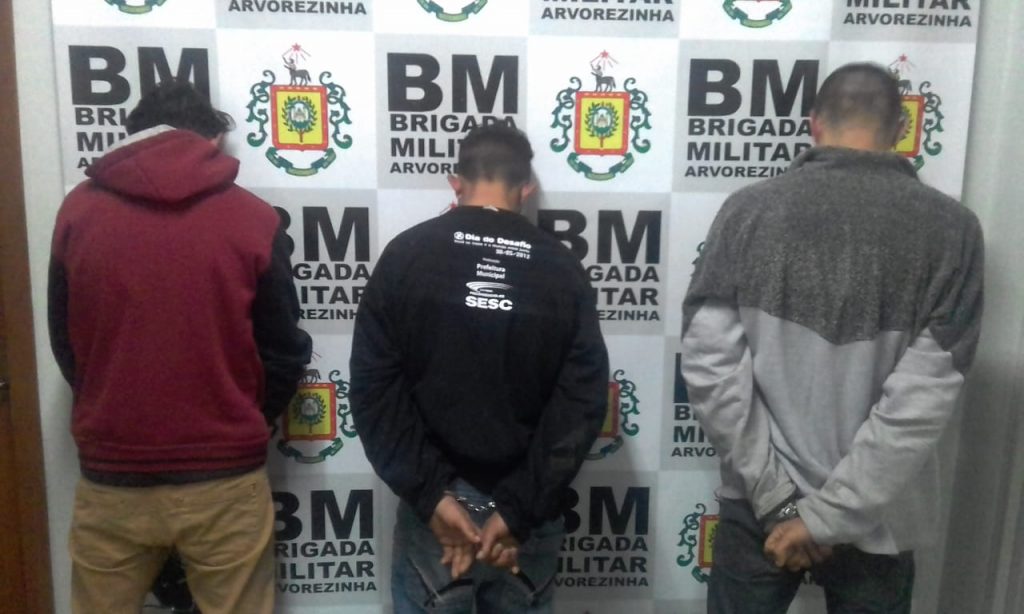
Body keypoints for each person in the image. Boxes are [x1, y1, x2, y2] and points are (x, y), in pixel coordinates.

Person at [679, 63, 984, 613]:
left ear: (813, 124)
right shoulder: (953, 231)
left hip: (761, 506)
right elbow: (923, 399)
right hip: (879, 513)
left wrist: (784, 505)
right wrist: (831, 516)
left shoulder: (747, 211)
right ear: (901, 130)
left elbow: (710, 369)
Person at [48, 79, 312, 614]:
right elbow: (284, 350)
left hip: (113, 473)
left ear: (132, 136)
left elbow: (66, 340)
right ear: (210, 140)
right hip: (224, 478)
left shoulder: (77, 213)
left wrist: (114, 408)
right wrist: (242, 419)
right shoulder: (254, 219)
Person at [350, 124, 609, 613]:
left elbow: (373, 390)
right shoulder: (562, 269)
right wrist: (519, 508)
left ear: (456, 182)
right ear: (525, 187)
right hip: (525, 518)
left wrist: (432, 496)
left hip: (440, 515)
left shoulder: (406, 255)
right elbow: (582, 402)